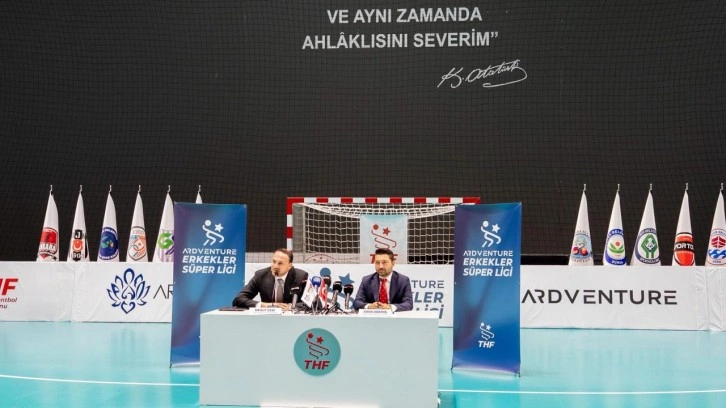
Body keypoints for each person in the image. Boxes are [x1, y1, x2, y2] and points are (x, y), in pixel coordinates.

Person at [232, 248, 308, 311]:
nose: (275, 266)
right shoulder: (261, 275)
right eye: (274, 262)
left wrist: (291, 307)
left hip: (292, 319)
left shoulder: (300, 276)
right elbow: (239, 299)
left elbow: (311, 302)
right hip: (267, 318)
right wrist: (263, 305)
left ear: (289, 266)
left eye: (280, 263)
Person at [353, 248, 413, 312]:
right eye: (377, 262)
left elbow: (409, 304)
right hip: (373, 316)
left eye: (384, 262)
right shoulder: (366, 280)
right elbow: (357, 302)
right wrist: (369, 306)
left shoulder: (403, 280)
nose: (380, 266)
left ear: (393, 263)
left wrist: (390, 307)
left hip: (394, 317)